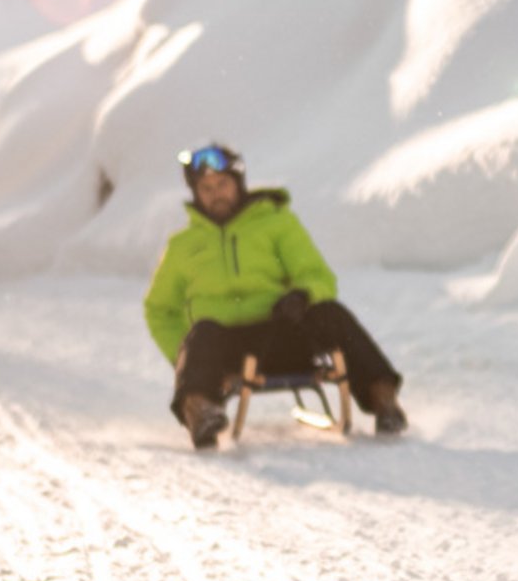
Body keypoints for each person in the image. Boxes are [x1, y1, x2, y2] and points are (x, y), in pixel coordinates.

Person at [144, 142, 407, 449]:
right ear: (195, 192)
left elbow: (318, 275)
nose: (216, 193)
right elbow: (159, 310)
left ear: (238, 183)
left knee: (329, 313)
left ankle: (382, 397)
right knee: (202, 331)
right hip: (226, 349)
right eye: (206, 187)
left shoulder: (275, 222)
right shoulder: (183, 245)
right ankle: (200, 410)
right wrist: (187, 360)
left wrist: (301, 295)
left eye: (222, 184)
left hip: (281, 333)